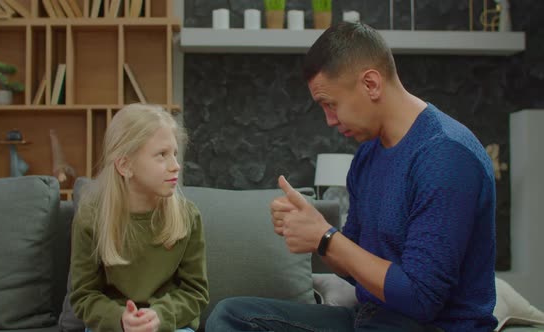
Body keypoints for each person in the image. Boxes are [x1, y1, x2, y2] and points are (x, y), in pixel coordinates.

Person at [206, 22, 497, 332]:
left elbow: (420, 298)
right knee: (232, 316)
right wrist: (315, 235)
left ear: (371, 83)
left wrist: (326, 238)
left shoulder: (446, 154)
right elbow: (353, 267)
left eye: (331, 105)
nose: (329, 121)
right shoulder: (368, 154)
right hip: (371, 318)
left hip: (431, 326)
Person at [69, 104, 209, 332]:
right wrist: (121, 320)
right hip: (111, 327)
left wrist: (159, 317)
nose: (176, 166)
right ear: (125, 165)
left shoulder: (188, 216)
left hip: (170, 327)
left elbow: (196, 293)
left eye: (174, 153)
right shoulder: (90, 217)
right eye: (162, 155)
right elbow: (84, 295)